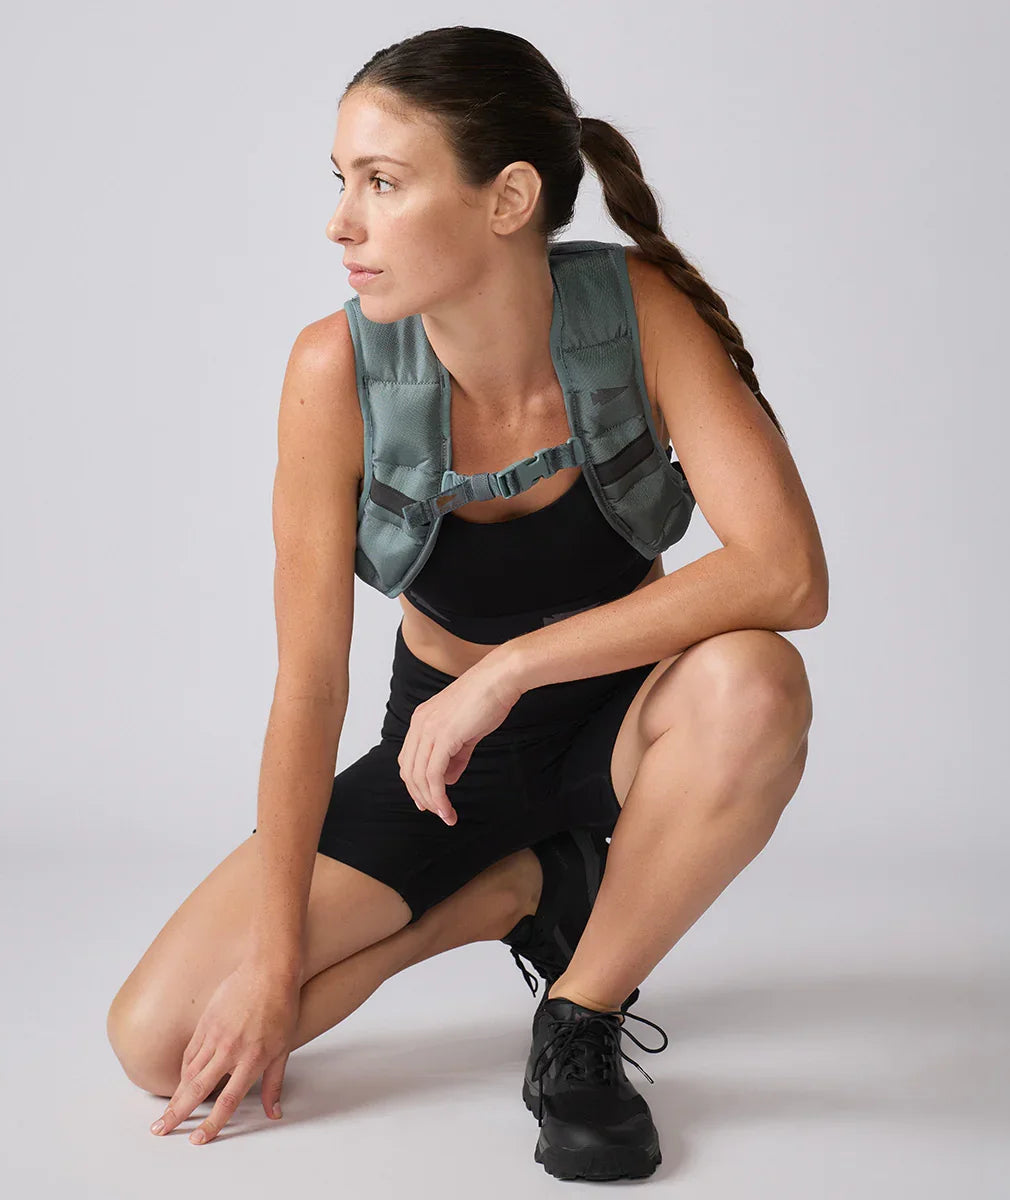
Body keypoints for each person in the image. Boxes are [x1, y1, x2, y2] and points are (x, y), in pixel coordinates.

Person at [106, 25, 827, 1182]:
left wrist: (508, 671)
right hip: (438, 762)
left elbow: (789, 575)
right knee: (157, 1043)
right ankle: (516, 892)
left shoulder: (635, 314)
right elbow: (310, 683)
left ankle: (579, 1019)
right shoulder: (331, 374)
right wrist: (271, 953)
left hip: (624, 727)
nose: (341, 221)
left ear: (508, 200)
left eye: (382, 183)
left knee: (755, 678)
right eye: (340, 180)